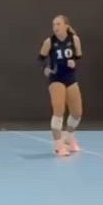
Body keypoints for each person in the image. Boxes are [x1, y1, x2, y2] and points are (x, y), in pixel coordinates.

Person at [39, 15, 83, 156]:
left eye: (58, 24)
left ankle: (68, 137)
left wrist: (74, 62)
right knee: (59, 111)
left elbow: (79, 56)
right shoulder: (49, 41)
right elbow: (41, 58)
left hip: (70, 78)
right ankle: (58, 146)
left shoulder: (74, 39)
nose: (55, 27)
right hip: (56, 78)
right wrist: (45, 67)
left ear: (66, 26)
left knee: (77, 113)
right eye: (54, 25)